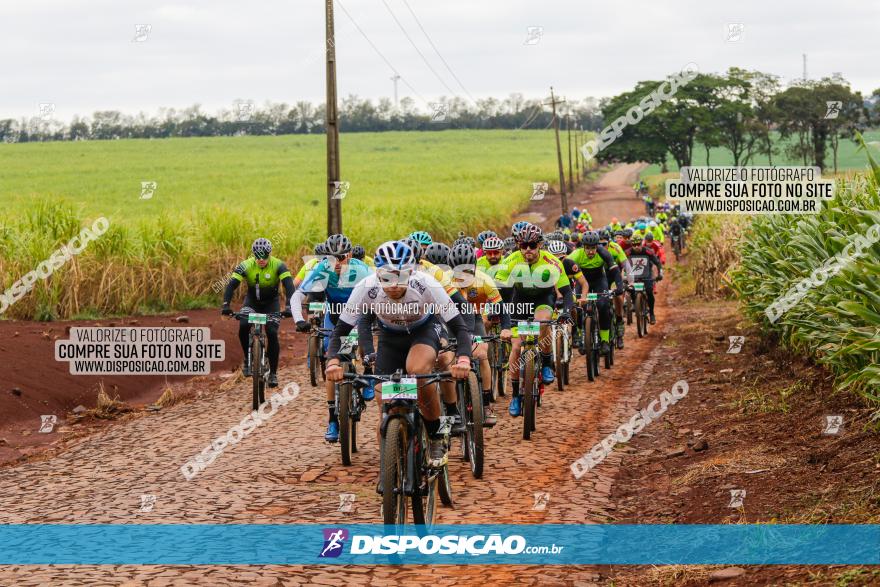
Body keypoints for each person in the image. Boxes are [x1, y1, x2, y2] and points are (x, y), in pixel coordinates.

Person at [324, 241, 472, 468]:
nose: (392, 285)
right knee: (385, 399)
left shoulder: (426, 284)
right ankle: (389, 468)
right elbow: (341, 331)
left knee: (417, 370)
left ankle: (435, 436)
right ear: (377, 274)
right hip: (390, 339)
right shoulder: (366, 287)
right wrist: (333, 362)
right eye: (386, 278)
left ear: (410, 273)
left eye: (399, 277)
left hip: (422, 332)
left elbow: (459, 327)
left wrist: (463, 358)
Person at [291, 234, 371, 442]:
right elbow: (297, 295)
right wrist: (299, 320)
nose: (336, 263)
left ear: (350, 255)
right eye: (331, 258)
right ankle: (333, 418)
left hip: (359, 315)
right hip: (334, 317)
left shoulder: (362, 270)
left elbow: (382, 293)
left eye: (341, 257)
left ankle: (369, 372)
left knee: (364, 338)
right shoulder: (323, 269)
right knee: (330, 362)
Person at [493, 224, 574, 417]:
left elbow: (567, 291)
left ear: (539, 245)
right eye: (523, 246)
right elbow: (498, 293)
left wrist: (567, 312)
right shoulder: (510, 260)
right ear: (518, 246)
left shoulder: (552, 261)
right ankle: (515, 395)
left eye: (531, 245)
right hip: (518, 302)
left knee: (543, 322)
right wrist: (503, 321)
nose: (527, 249)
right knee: (515, 348)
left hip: (543, 299)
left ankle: (546, 363)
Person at [448, 242, 510, 427]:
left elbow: (502, 308)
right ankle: (448, 406)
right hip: (451, 318)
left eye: (468, 271)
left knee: (482, 353)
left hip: (474, 318)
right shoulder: (445, 280)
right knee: (445, 357)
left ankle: (485, 404)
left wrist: (506, 327)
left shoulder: (484, 281)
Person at [221, 238, 295, 388]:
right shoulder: (245, 265)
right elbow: (231, 285)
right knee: (243, 325)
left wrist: (289, 307)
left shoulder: (279, 265)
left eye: (265, 256)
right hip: (252, 303)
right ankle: (247, 360)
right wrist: (225, 305)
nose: (261, 259)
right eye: (258, 256)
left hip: (271, 304)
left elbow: (289, 286)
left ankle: (273, 373)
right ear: (253, 255)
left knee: (272, 332)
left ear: (270, 253)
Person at [566, 231, 624, 356]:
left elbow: (614, 270)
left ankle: (604, 340)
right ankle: (581, 337)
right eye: (588, 248)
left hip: (599, 280)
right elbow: (563, 270)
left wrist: (620, 286)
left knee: (603, 305)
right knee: (579, 307)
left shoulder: (603, 252)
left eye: (593, 248)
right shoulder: (576, 254)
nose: (591, 251)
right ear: (583, 247)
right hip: (582, 281)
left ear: (597, 246)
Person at [626, 234, 663, 324]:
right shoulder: (628, 252)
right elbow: (621, 263)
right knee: (630, 288)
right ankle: (635, 303)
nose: (636, 247)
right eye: (634, 245)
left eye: (638, 244)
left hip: (647, 273)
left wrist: (660, 274)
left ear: (642, 243)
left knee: (649, 291)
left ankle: (651, 313)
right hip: (634, 274)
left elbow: (657, 263)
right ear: (631, 245)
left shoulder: (648, 251)